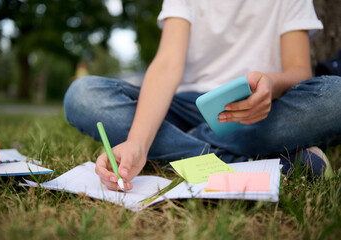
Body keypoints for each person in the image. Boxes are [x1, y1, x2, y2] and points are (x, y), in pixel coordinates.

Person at [64, 0, 341, 191]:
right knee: (83, 96)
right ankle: (242, 162)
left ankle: (175, 149)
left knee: (336, 95)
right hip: (183, 107)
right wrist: (137, 141)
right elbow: (167, 64)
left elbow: (299, 71)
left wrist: (271, 82)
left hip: (257, 112)